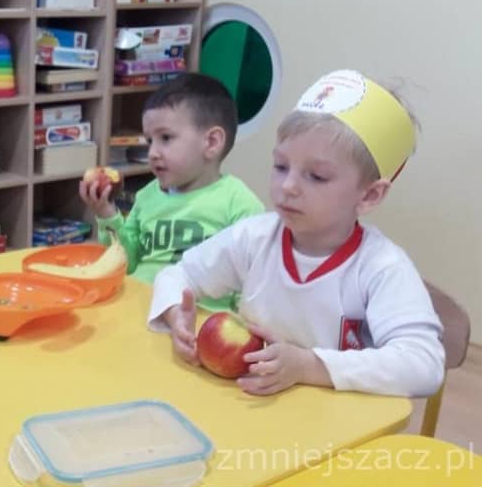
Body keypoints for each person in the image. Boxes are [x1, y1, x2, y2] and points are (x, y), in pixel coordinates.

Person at [149, 69, 445, 397]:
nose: (288, 186)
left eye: (316, 176)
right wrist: (176, 314)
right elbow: (179, 275)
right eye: (280, 166)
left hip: (341, 423)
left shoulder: (381, 267)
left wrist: (308, 366)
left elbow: (424, 365)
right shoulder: (253, 238)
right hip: (254, 408)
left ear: (370, 195)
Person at [80, 73, 264, 311]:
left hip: (198, 321)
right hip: (139, 309)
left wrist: (243, 325)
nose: (152, 153)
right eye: (150, 141)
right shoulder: (146, 196)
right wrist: (106, 214)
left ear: (211, 142)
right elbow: (126, 263)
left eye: (165, 138)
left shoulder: (240, 205)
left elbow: (252, 284)